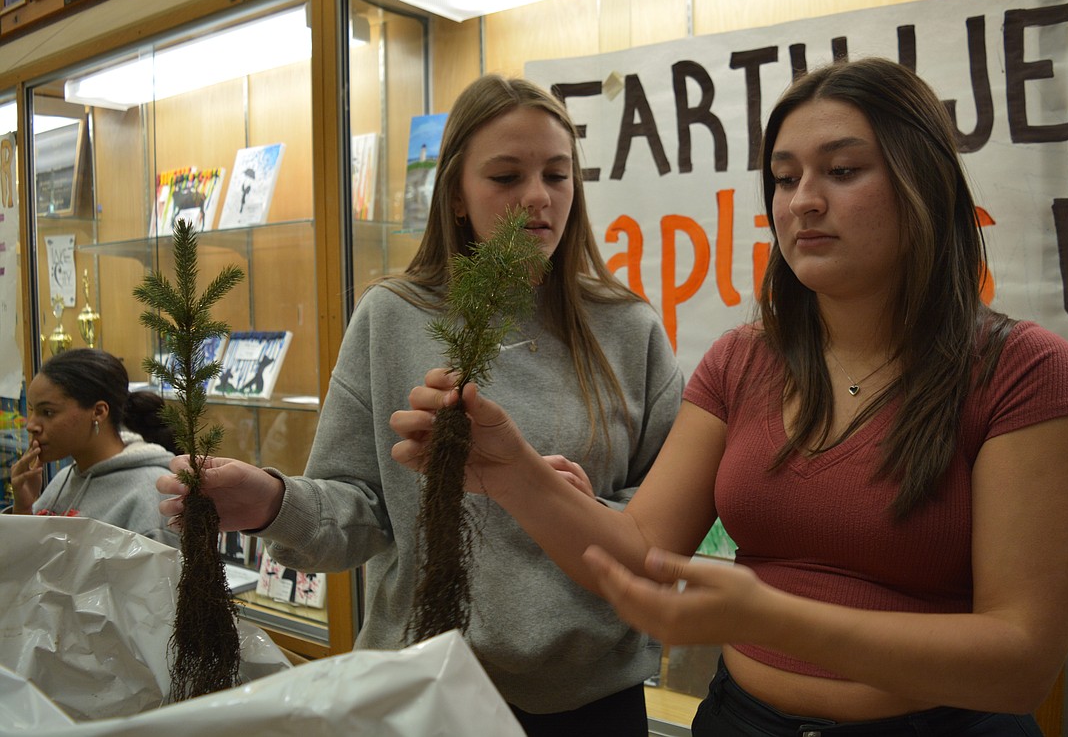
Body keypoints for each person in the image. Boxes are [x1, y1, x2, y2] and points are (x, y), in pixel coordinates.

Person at [390, 58, 1068, 736]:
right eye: (784, 177)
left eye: (843, 170)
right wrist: (512, 470)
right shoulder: (743, 360)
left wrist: (774, 617)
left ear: (923, 182)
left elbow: (1021, 662)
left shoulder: (1025, 374)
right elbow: (639, 549)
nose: (804, 202)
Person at [157, 75, 682, 736]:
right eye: (506, 176)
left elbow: (674, 523)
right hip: (424, 687)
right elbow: (363, 509)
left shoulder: (626, 329)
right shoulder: (393, 318)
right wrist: (272, 502)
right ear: (457, 196)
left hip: (588, 698)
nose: (537, 199)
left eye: (557, 174)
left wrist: (581, 508)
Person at [9, 348, 180, 548]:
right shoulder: (63, 479)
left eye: (47, 412)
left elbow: (161, 577)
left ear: (98, 412)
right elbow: (29, 566)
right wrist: (23, 509)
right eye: (32, 410)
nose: (31, 425)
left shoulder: (152, 492)